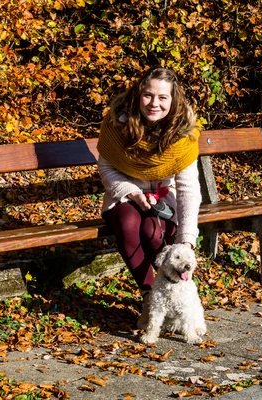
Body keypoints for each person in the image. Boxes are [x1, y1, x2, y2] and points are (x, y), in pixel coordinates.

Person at [96, 67, 202, 329]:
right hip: (124, 196)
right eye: (148, 95)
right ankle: (149, 294)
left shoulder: (183, 134)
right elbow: (107, 168)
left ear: (173, 100)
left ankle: (173, 294)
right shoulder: (115, 125)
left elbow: (188, 188)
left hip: (164, 201)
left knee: (153, 232)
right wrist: (132, 192)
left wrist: (187, 241)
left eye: (162, 97)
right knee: (128, 222)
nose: (154, 103)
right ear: (137, 95)